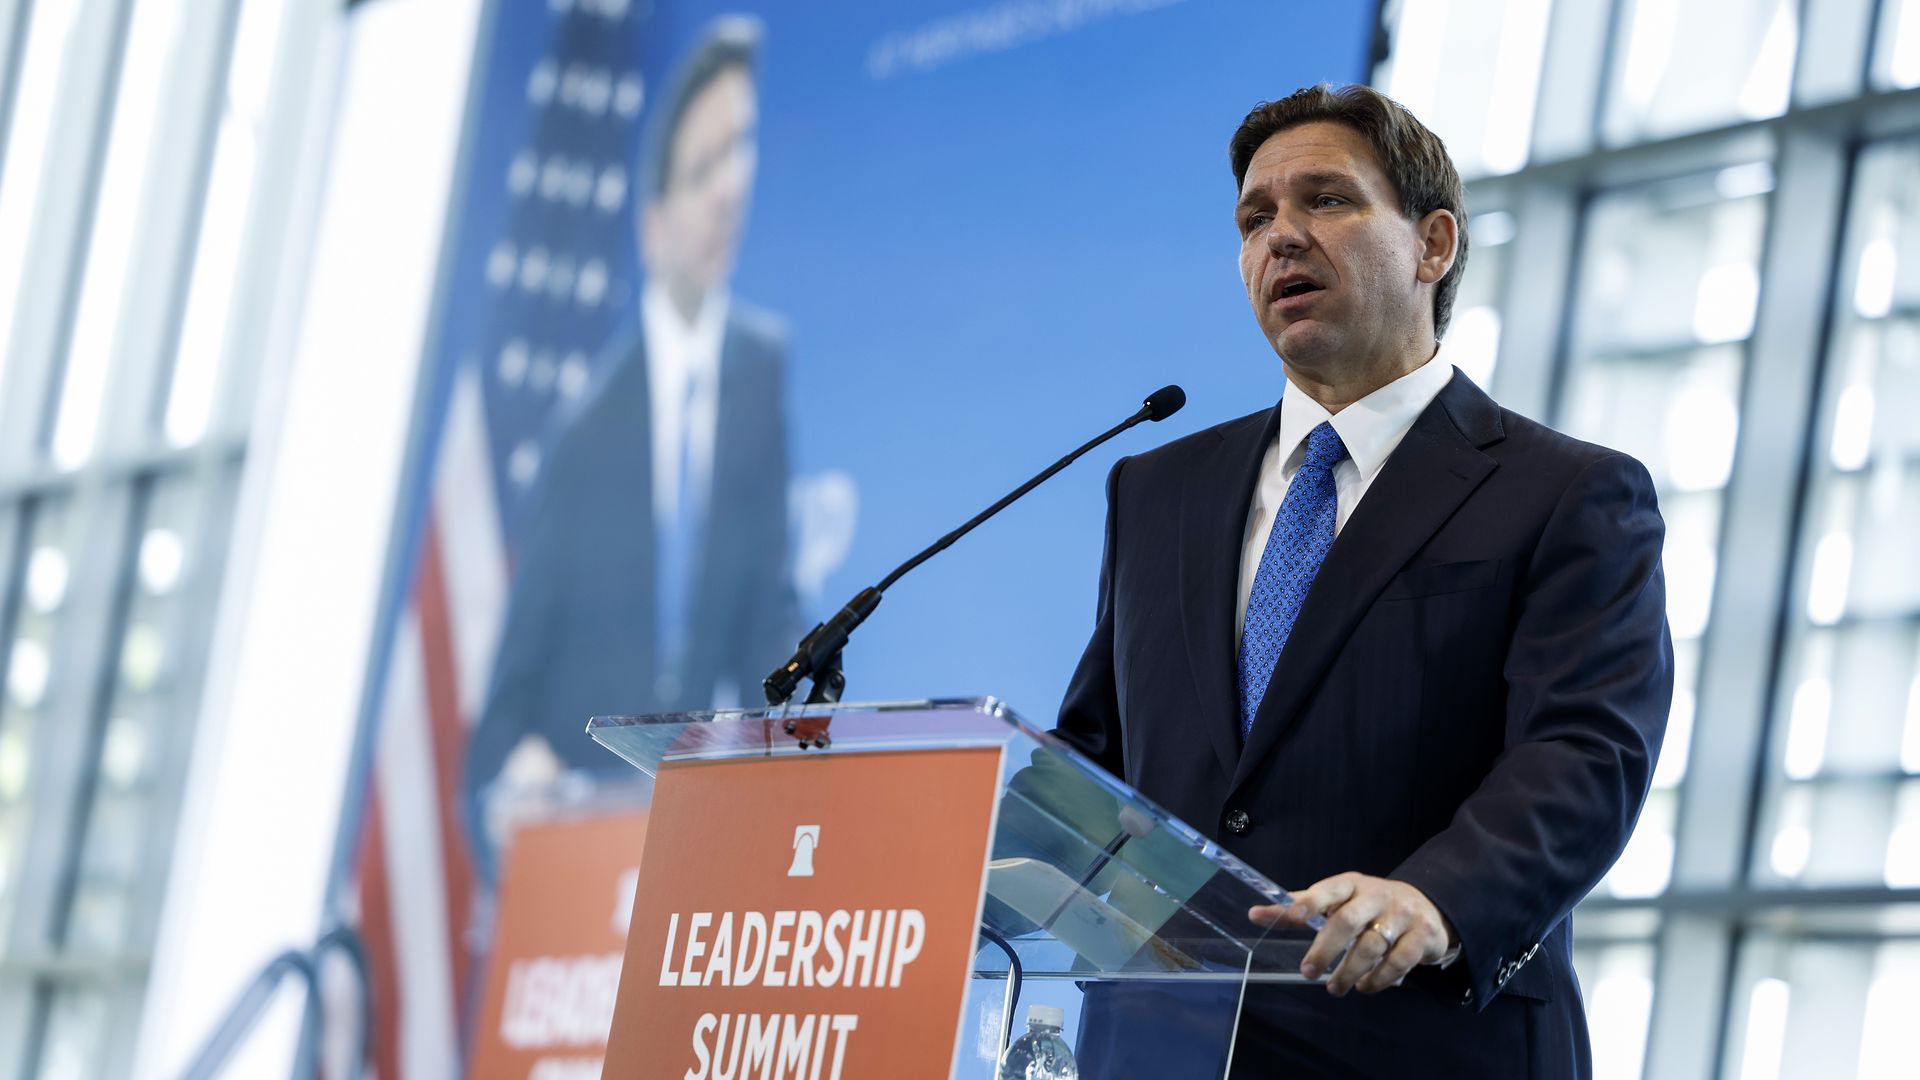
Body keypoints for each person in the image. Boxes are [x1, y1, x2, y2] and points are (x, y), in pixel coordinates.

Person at [1053, 83, 1672, 1076]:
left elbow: (1585, 751)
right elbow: (1098, 750)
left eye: (1326, 201)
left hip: (1418, 1036)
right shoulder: (1157, 489)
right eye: (1256, 219)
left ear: (1434, 245)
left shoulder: (1566, 493)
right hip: (1162, 1045)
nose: (1280, 238)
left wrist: (1438, 897)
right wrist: (1022, 851)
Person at [464, 17, 797, 880]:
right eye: (702, 170)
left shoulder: (759, 373)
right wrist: (510, 784)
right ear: (651, 227)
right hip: (584, 864)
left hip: (703, 851)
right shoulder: (584, 431)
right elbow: (502, 723)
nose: (731, 189)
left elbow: (771, 615)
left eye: (740, 152)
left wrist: (809, 742)